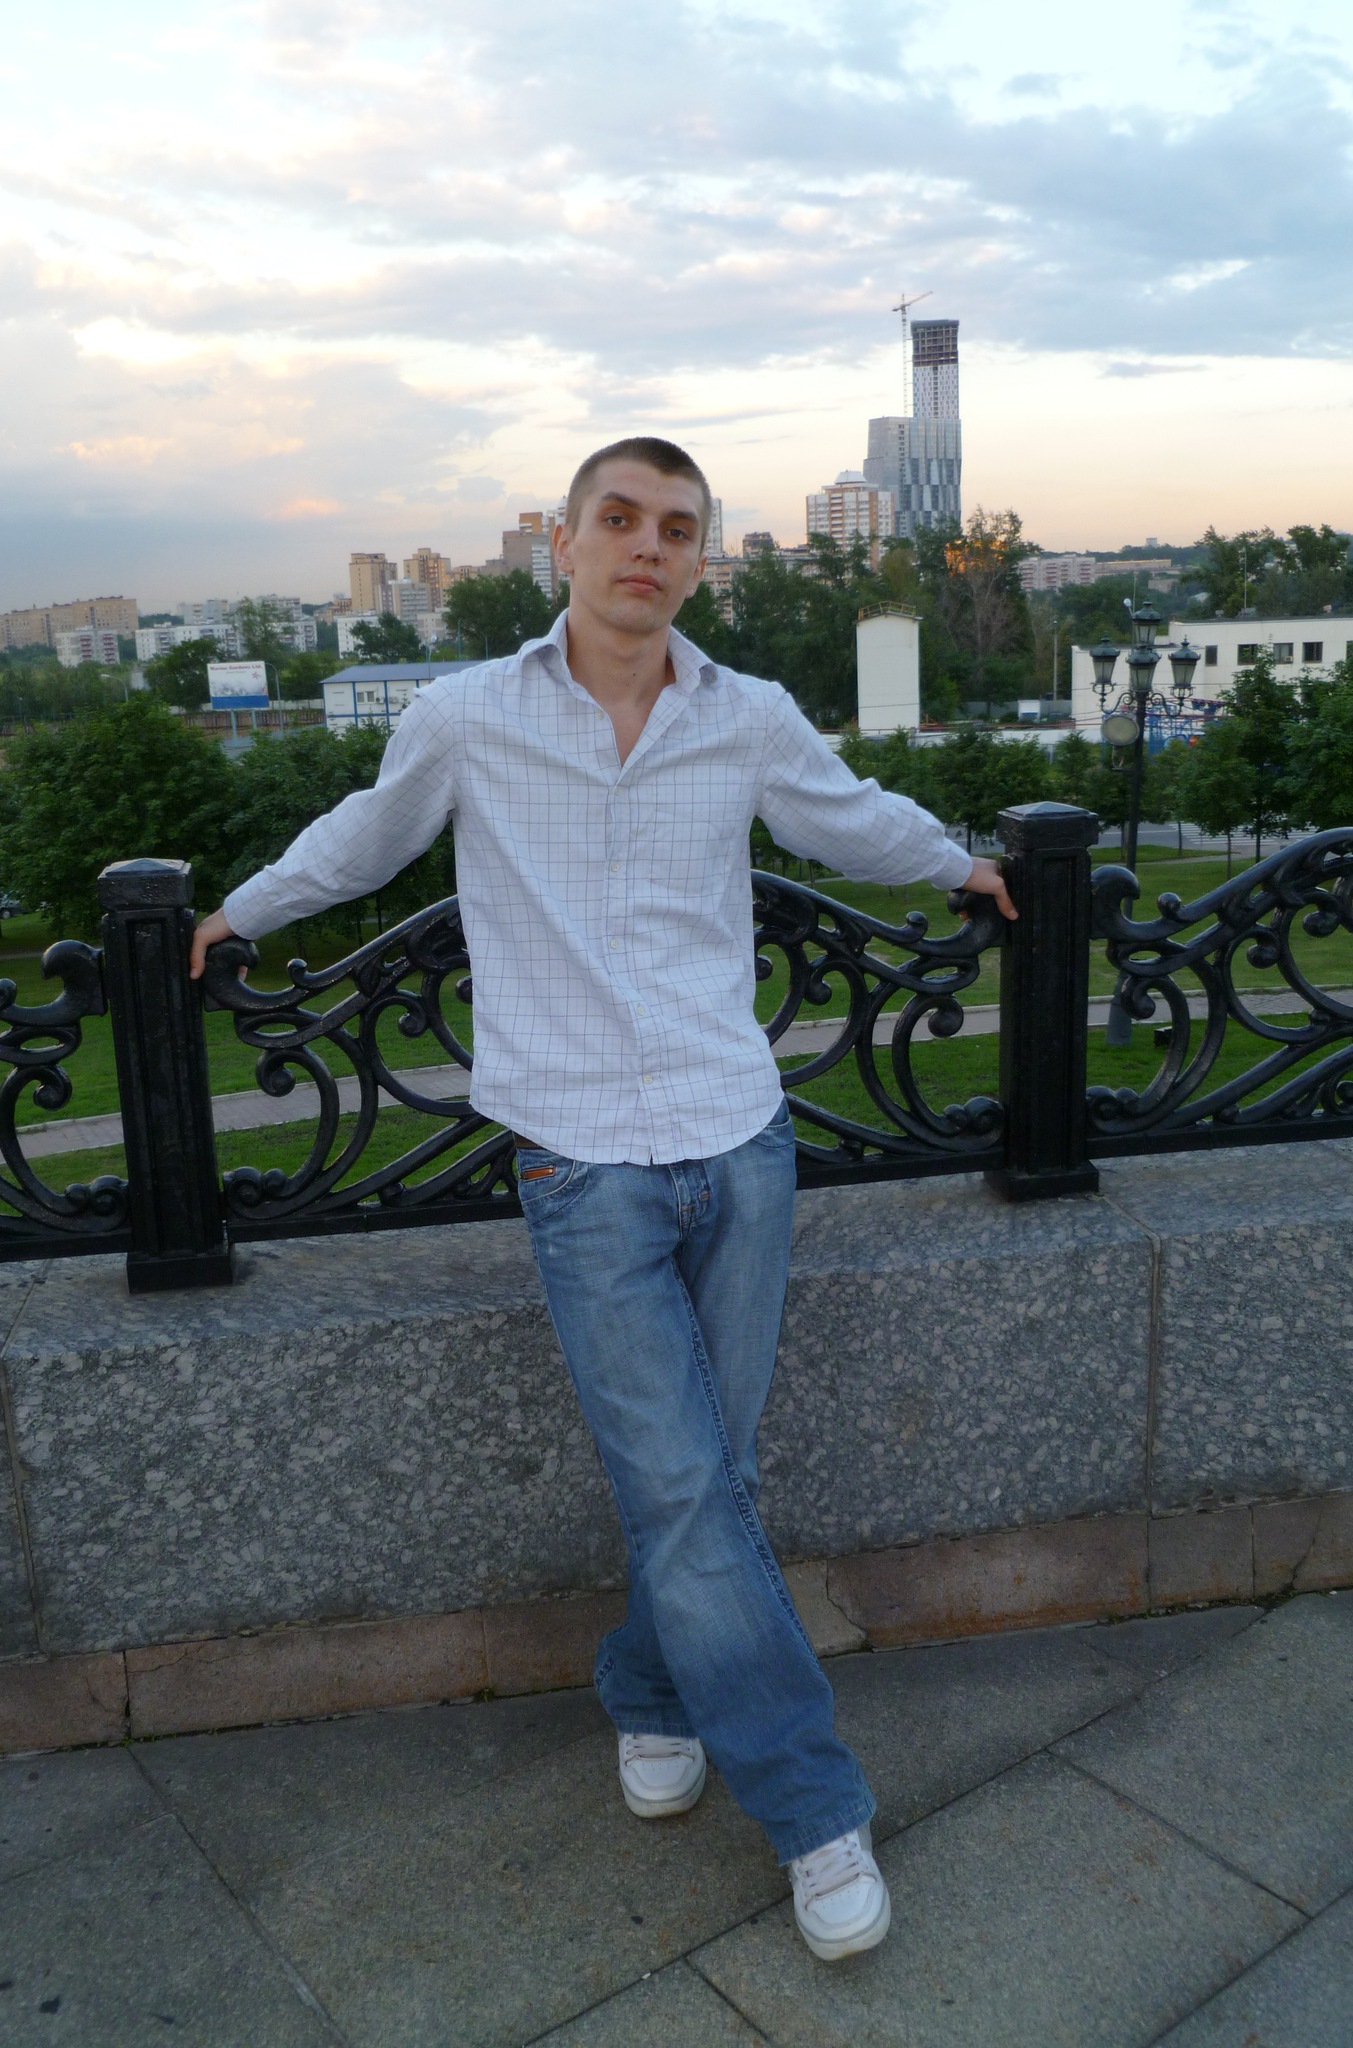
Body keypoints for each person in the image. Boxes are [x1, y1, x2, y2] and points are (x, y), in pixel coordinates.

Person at [190, 437, 1015, 1961]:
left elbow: (846, 816)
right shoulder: (466, 717)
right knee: (691, 1490)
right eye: (619, 520)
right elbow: (366, 838)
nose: (648, 547)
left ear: (701, 560)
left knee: (710, 1478)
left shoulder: (745, 715)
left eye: (677, 529)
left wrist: (964, 865)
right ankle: (814, 1807)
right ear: (562, 543)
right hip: (578, 1160)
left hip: (739, 1142)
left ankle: (646, 1688)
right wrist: (236, 912)